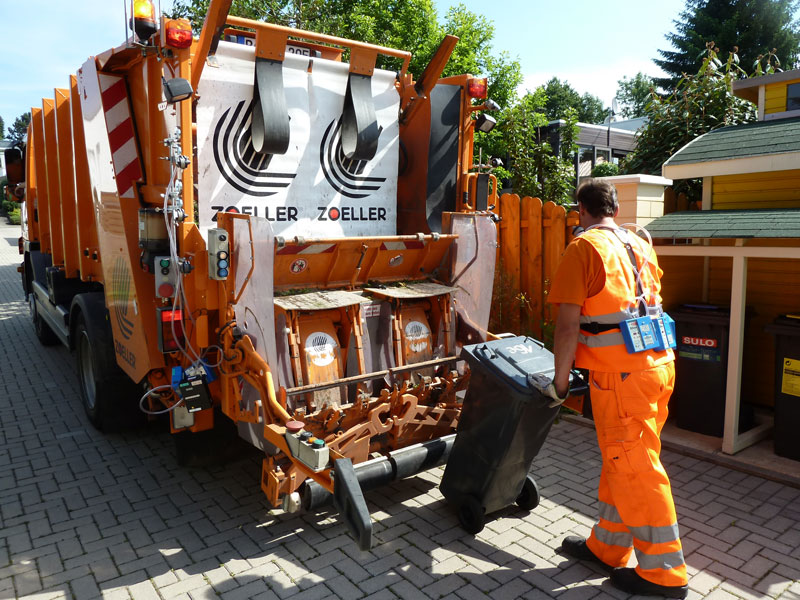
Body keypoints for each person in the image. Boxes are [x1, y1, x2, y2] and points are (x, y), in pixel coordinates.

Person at [544, 179, 689, 599]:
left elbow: (569, 324)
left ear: (581, 210)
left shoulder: (584, 247)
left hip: (622, 376)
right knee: (623, 459)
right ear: (615, 209)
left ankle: (665, 574)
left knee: (636, 468)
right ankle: (607, 545)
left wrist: (559, 382)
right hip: (658, 368)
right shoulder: (639, 242)